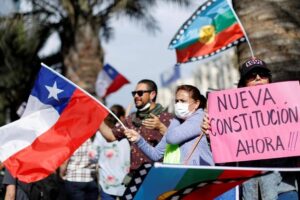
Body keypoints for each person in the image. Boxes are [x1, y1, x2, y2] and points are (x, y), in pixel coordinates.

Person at [202, 57, 298, 200]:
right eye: (252, 76)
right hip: (249, 192)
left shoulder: (288, 107)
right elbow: (223, 160)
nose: (258, 78)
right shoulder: (230, 115)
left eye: (263, 74)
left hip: (283, 189)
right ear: (243, 85)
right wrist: (212, 136)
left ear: (269, 80)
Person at [124, 85, 214, 166]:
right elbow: (156, 154)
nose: (178, 104)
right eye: (176, 101)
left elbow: (172, 138)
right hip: (182, 176)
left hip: (201, 175)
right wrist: (139, 139)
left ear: (196, 103)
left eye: (182, 101)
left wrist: (175, 119)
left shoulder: (200, 119)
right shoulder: (180, 120)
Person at [99, 79, 173, 171]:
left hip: (159, 174)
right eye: (134, 93)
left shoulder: (168, 118)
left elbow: (179, 143)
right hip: (136, 176)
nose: (136, 96)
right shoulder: (130, 119)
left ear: (152, 94)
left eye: (140, 93)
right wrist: (97, 117)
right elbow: (110, 136)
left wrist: (161, 127)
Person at [92, 105, 130, 200]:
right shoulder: (128, 132)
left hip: (107, 182)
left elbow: (92, 156)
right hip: (126, 181)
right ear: (121, 117)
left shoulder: (101, 134)